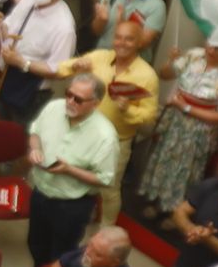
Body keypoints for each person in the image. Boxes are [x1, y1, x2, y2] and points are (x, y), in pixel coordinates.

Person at [56, 21, 160, 226]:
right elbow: (62, 69)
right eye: (118, 37)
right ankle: (70, 217)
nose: (121, 43)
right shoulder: (100, 57)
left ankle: (106, 230)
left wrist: (127, 109)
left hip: (117, 142)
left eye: (129, 39)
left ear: (139, 43)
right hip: (82, 133)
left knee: (109, 190)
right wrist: (76, 66)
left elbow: (149, 116)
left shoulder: (147, 76)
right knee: (72, 177)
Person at [135, 34, 218, 216]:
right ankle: (157, 201)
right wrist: (171, 60)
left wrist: (185, 107)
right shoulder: (194, 55)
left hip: (199, 129)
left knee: (186, 170)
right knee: (164, 160)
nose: (211, 50)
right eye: (210, 44)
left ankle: (177, 212)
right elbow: (165, 75)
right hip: (174, 120)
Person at [24, 73, 119, 267]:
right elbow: (35, 132)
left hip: (71, 205)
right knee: (36, 244)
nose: (70, 101)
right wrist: (35, 148)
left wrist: (70, 170)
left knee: (61, 255)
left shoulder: (105, 136)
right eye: (68, 94)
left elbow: (105, 179)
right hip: (41, 191)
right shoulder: (53, 108)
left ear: (95, 103)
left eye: (78, 99)